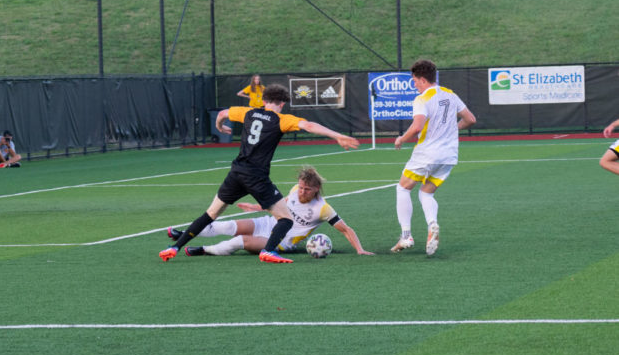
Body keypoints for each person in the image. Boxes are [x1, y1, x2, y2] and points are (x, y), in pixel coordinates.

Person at [160, 84, 359, 264]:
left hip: (236, 173)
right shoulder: (282, 120)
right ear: (282, 103)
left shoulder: (247, 112)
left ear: (263, 101)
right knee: (286, 220)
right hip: (257, 177)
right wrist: (338, 136)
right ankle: (269, 251)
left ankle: (174, 247)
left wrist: (221, 127)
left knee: (210, 214)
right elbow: (308, 126)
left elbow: (222, 113)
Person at [168, 166, 373, 257]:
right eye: (300, 187)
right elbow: (280, 204)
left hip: (282, 242)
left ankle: (205, 250)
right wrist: (257, 207)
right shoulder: (294, 191)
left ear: (316, 189)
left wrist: (359, 249)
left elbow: (345, 229)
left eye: (307, 189)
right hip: (268, 223)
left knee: (241, 241)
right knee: (228, 225)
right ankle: (184, 234)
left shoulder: (323, 208)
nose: (302, 192)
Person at [391, 59, 476, 256]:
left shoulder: (422, 99)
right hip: (449, 155)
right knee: (426, 193)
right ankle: (432, 224)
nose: (414, 85)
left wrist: (401, 139)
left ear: (422, 79)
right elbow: (470, 119)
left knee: (402, 188)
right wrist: (452, 129)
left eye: (414, 81)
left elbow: (418, 126)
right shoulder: (450, 94)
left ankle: (406, 236)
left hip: (427, 153)